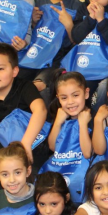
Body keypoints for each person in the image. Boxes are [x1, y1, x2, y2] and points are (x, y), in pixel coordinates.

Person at [0, 43, 47, 174]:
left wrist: (26, 144)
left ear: (14, 71)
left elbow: (40, 109)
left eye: (0, 69)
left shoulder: (25, 87)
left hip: (33, 146)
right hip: (3, 153)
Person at [30, 0, 87, 97]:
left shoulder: (76, 6)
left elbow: (77, 41)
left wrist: (69, 25)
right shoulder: (41, 1)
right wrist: (34, 21)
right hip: (38, 55)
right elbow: (34, 32)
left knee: (40, 86)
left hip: (59, 60)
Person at [42, 71, 93, 200]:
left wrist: (82, 125)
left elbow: (88, 153)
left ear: (86, 93)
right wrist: (58, 122)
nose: (70, 102)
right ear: (58, 98)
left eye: (75, 95)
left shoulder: (92, 118)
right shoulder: (60, 118)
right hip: (61, 167)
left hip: (82, 174)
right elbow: (53, 147)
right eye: (64, 98)